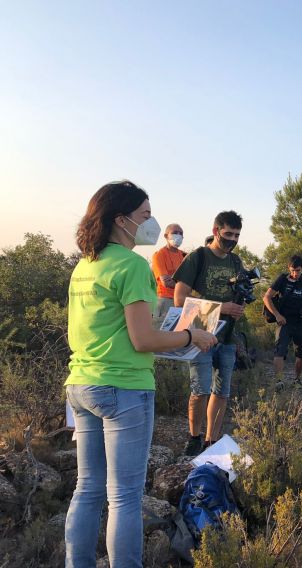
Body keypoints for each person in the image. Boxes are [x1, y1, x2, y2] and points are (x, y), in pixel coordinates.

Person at [65, 181, 216, 568]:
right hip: (123, 388)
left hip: (81, 384)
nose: (151, 223)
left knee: (86, 489)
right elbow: (143, 338)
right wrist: (189, 335)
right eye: (146, 215)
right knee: (125, 496)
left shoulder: (85, 264)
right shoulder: (132, 265)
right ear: (122, 220)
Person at [173, 211, 246, 456]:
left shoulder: (236, 262)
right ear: (216, 231)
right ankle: (194, 436)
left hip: (227, 336)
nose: (232, 239)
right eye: (228, 234)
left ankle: (210, 440)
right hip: (200, 333)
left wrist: (238, 309)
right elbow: (179, 298)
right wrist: (221, 307)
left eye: (236, 235)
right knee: (200, 389)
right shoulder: (198, 257)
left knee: (222, 391)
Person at [263, 255, 302, 386]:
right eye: (293, 270)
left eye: (298, 270)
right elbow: (266, 297)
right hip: (284, 321)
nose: (295, 273)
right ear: (289, 268)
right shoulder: (282, 279)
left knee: (301, 353)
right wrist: (277, 315)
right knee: (279, 350)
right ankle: (278, 381)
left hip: (300, 322)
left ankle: (297, 379)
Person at [150, 223, 186, 318]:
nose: (178, 235)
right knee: (164, 330)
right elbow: (166, 282)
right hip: (166, 300)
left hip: (182, 300)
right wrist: (185, 285)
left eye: (180, 233)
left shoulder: (184, 256)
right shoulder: (159, 255)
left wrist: (175, 280)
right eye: (175, 232)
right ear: (166, 236)